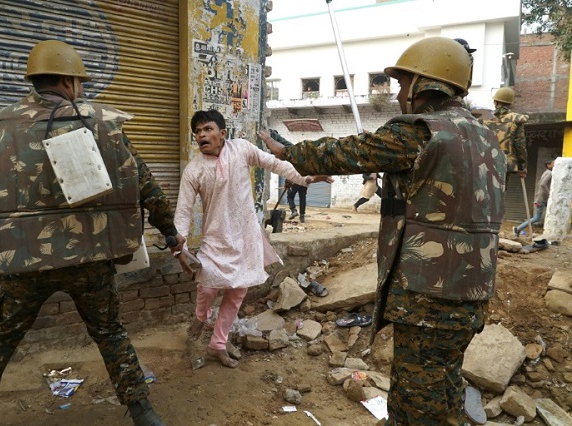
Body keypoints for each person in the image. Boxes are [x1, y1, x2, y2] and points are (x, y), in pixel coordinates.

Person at [0, 40, 184, 426]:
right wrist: (169, 232)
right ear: (70, 81)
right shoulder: (102, 121)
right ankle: (144, 414)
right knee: (110, 334)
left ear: (35, 79)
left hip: (22, 260)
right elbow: (144, 183)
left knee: (1, 341)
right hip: (90, 254)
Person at [260, 37, 506, 424]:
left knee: (415, 404)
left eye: (402, 85)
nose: (397, 94)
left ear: (425, 84)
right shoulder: (486, 137)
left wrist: (289, 150)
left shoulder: (423, 132)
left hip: (428, 296)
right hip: (472, 291)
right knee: (445, 386)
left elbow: (353, 150)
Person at [175, 110, 331, 368]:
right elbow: (183, 210)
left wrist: (304, 178)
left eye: (207, 129)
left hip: (246, 236)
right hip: (215, 239)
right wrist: (178, 239)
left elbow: (275, 164)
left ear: (222, 133)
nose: (202, 135)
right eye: (198, 132)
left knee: (237, 293)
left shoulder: (242, 149)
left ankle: (217, 345)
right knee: (207, 287)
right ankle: (201, 316)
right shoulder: (194, 170)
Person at [483, 87, 529, 181]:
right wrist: (522, 166)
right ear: (510, 104)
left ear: (495, 102)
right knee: (501, 191)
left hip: (485, 161)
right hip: (505, 162)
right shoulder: (516, 119)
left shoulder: (485, 118)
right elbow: (520, 144)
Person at [269, 129, 309, 222]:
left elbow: (290, 169)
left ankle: (294, 210)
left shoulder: (290, 152)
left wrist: (288, 181)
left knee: (290, 196)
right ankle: (302, 216)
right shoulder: (303, 156)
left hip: (295, 180)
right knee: (302, 197)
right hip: (304, 180)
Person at [514, 159, 554, 237]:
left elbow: (539, 183)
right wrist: (549, 194)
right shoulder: (550, 174)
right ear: (549, 165)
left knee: (551, 213)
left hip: (541, 198)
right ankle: (518, 228)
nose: (555, 164)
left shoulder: (546, 172)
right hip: (542, 199)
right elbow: (542, 184)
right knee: (536, 218)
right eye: (553, 163)